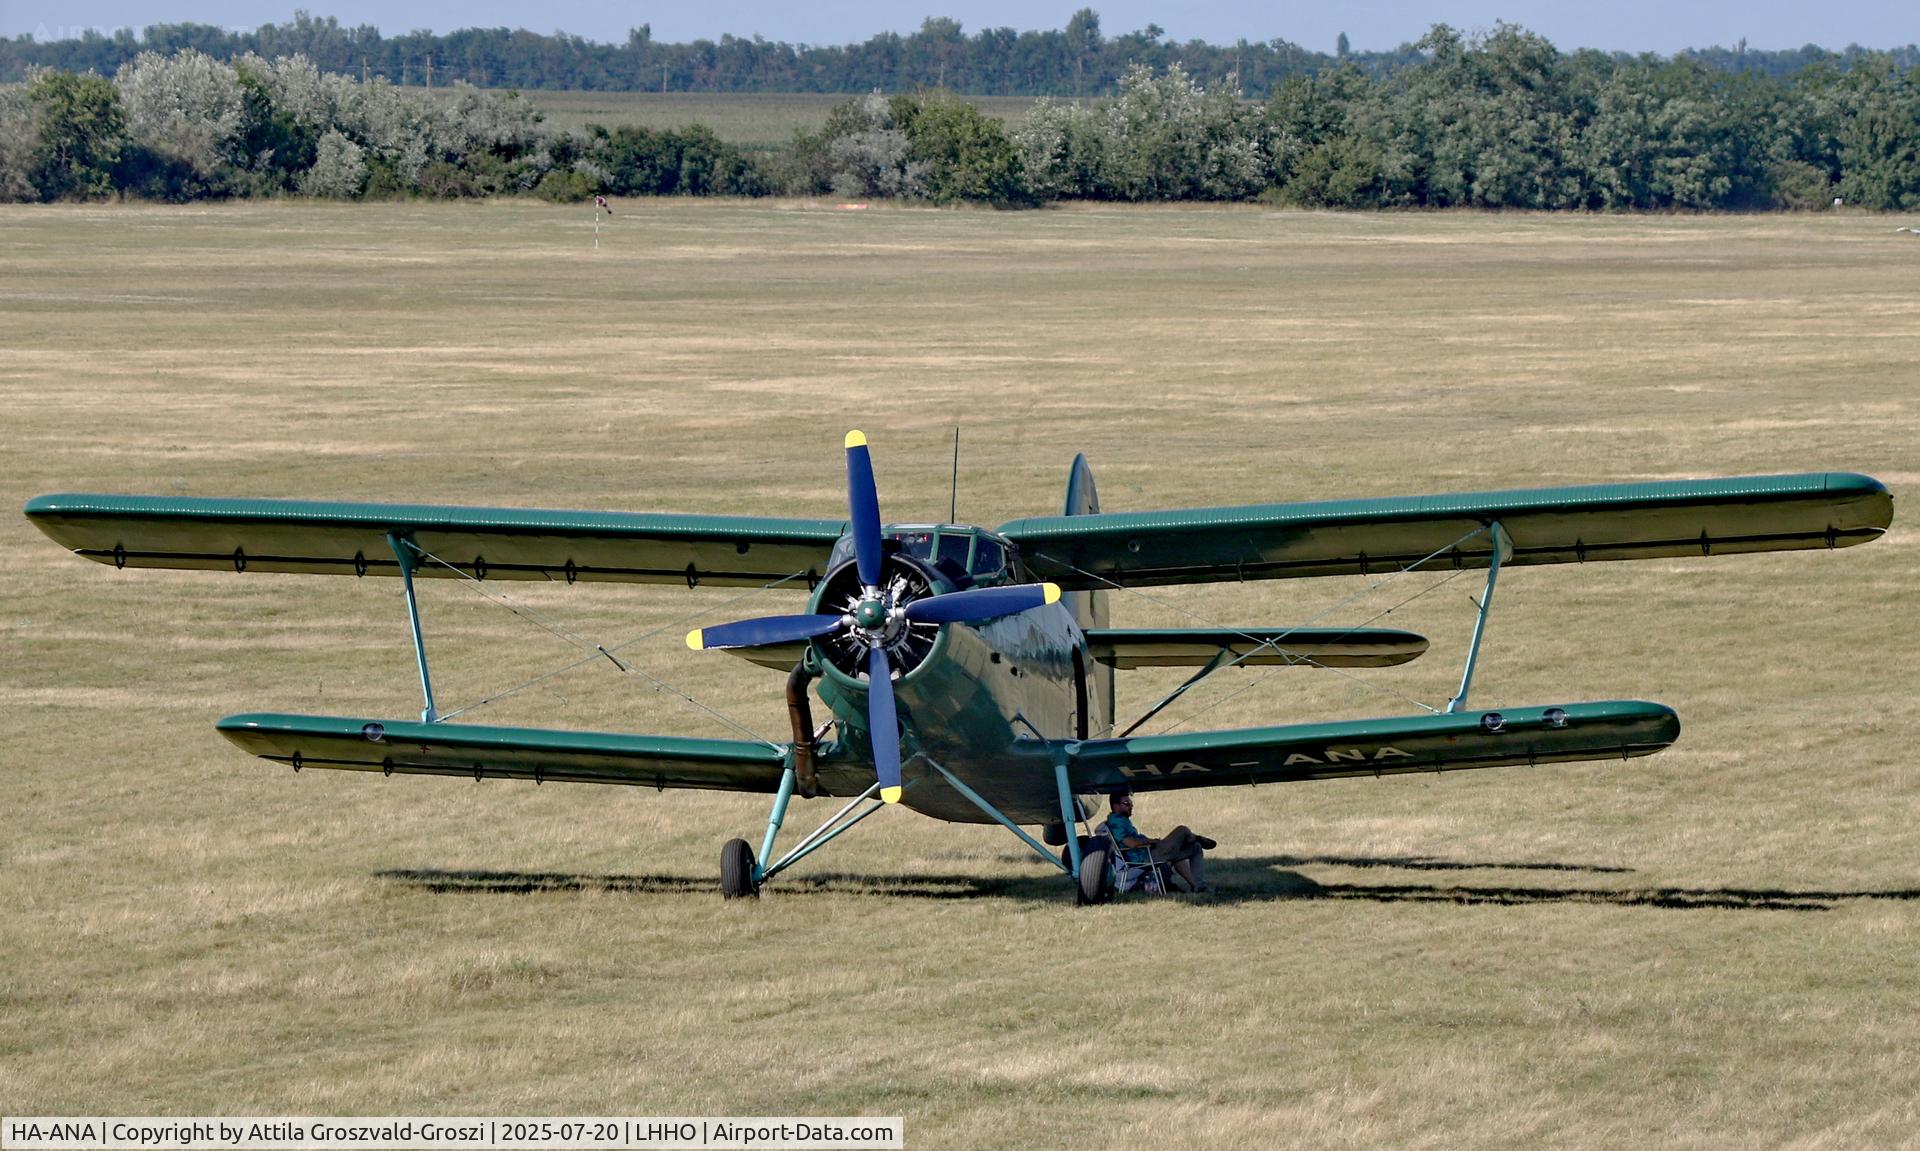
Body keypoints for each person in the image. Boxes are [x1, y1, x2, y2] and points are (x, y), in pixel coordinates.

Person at [1103, 792, 1216, 893]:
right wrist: (1152, 841)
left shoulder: (1122, 820)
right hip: (1145, 857)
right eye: (1127, 803)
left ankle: (1199, 886)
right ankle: (1195, 837)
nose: (1131, 805)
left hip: (1149, 852)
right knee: (1182, 830)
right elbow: (1130, 843)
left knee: (1195, 848)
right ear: (1116, 806)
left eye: (1131, 802)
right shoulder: (1115, 821)